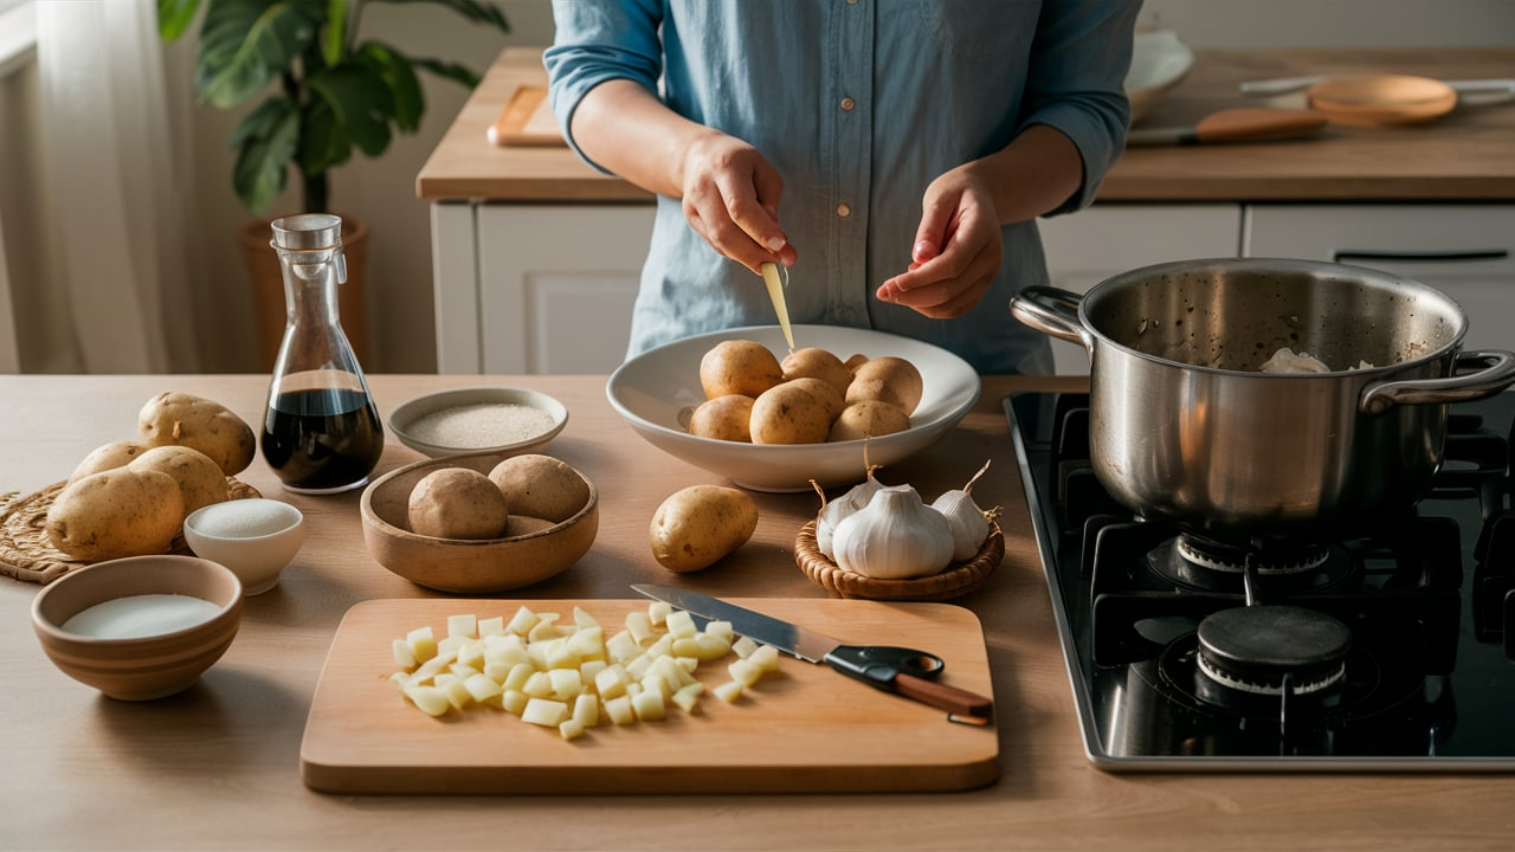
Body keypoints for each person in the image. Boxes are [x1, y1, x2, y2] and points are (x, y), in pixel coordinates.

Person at [544, 1, 1140, 375]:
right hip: (702, 380)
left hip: (975, 384)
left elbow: (1083, 104)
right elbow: (591, 70)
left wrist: (995, 185)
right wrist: (688, 156)